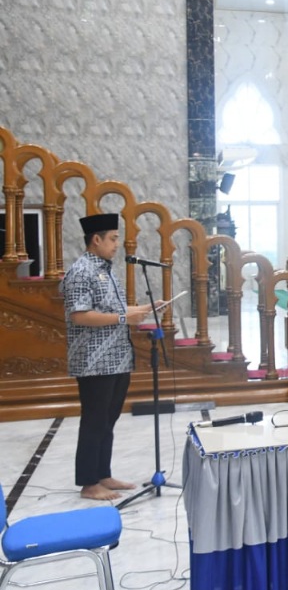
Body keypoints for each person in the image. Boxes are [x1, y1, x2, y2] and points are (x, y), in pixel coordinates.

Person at [60, 213, 153, 500]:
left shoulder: (106, 269)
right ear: (96, 240)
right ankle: (89, 484)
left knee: (108, 420)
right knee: (94, 421)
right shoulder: (81, 271)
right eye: (112, 239)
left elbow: (112, 309)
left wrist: (143, 309)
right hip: (94, 361)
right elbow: (79, 315)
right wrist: (125, 317)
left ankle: (103, 474)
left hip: (117, 357)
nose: (117, 244)